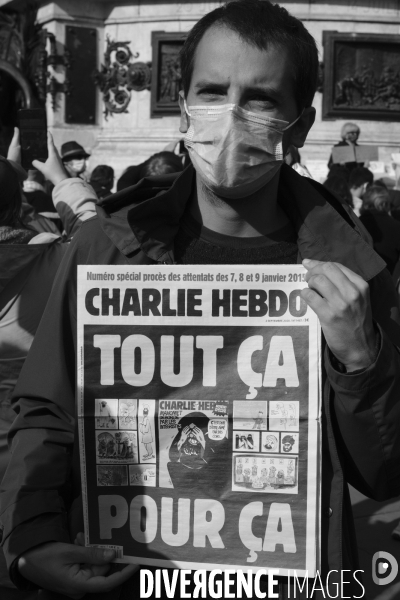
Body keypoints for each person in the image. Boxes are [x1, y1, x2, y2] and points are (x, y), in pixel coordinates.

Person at [1, 2, 400, 599]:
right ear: (184, 103)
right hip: (127, 579)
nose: (232, 117)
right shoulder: (106, 247)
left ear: (302, 122)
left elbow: (383, 471)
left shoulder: (352, 271)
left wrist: (361, 362)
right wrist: (29, 539)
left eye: (261, 99)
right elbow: (49, 413)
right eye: (212, 91)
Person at [0, 128, 97, 598]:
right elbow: (95, 237)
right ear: (14, 206)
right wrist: (60, 179)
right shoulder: (53, 258)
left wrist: (12, 176)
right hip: (32, 442)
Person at [359, 185, 400, 275]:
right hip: (388, 281)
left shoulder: (356, 224)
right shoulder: (396, 226)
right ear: (386, 203)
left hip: (360, 280)